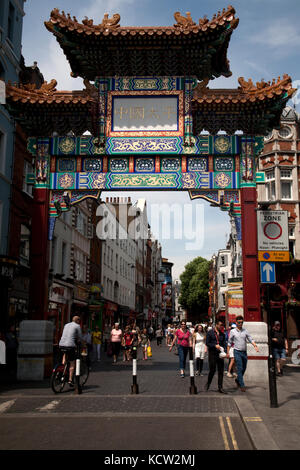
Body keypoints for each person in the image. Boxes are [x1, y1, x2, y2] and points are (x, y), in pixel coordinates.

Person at [227, 315, 259, 392]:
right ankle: (242, 385)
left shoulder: (245, 331)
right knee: (240, 368)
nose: (240, 324)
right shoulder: (233, 331)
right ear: (236, 322)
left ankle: (238, 379)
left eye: (242, 322)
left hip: (244, 352)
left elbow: (250, 338)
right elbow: (229, 342)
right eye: (239, 322)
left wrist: (255, 345)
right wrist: (228, 352)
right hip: (237, 351)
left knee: (244, 368)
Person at [59, 315, 82, 387]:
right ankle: (70, 380)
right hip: (70, 345)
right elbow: (80, 337)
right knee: (72, 362)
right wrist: (80, 342)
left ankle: (62, 369)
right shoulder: (77, 326)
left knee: (65, 354)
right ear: (78, 321)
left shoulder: (66, 325)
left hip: (61, 344)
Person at [205, 320, 227, 394]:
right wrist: (214, 345)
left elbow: (224, 344)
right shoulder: (210, 333)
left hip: (220, 354)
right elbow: (207, 343)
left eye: (222, 325)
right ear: (216, 325)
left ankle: (220, 387)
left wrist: (225, 352)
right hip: (212, 353)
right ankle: (208, 383)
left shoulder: (222, 334)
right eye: (220, 325)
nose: (221, 327)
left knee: (221, 371)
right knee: (212, 370)